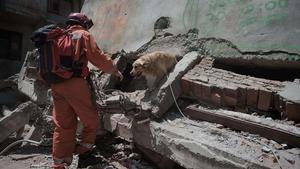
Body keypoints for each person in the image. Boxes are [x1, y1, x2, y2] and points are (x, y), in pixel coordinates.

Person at [51, 13, 123, 169]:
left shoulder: (58, 37)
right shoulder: (82, 35)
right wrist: (114, 70)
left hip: (56, 84)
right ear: (83, 23)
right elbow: (96, 56)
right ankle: (85, 152)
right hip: (75, 83)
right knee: (91, 119)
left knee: (63, 125)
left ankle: (59, 164)